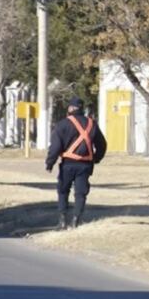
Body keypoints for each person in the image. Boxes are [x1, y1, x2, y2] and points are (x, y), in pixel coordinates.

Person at [45, 96, 107, 230]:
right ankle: (76, 221)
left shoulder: (62, 124)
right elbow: (102, 145)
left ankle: (62, 221)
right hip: (85, 165)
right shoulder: (92, 124)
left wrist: (50, 162)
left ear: (70, 108)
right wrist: (96, 158)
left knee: (63, 190)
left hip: (67, 164)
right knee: (80, 193)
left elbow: (55, 147)